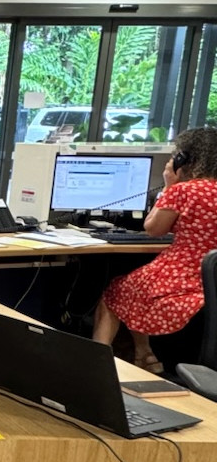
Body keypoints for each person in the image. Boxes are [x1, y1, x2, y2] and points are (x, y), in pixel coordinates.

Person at [93, 127, 217, 370]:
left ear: (186, 158)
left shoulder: (185, 190)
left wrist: (170, 185)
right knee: (135, 287)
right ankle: (144, 355)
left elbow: (153, 229)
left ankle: (99, 363)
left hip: (183, 274)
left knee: (116, 292)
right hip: (211, 282)